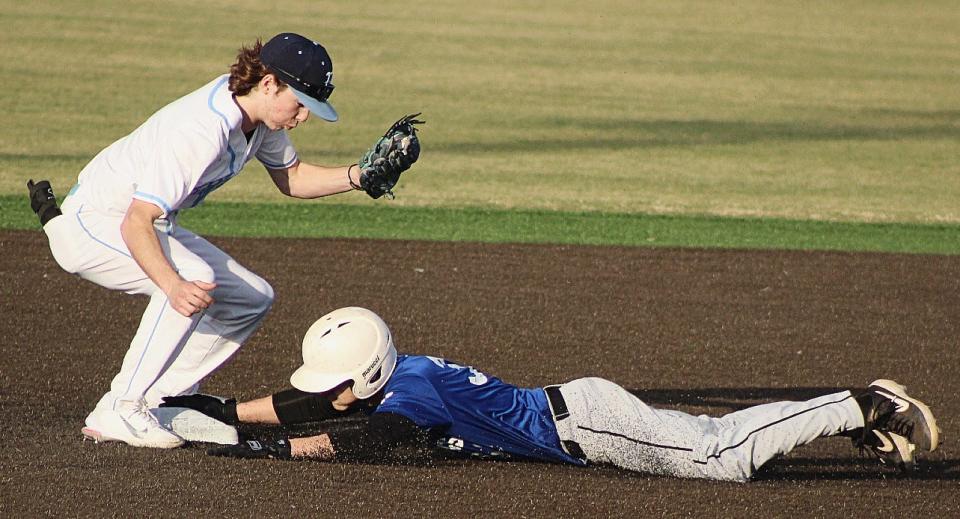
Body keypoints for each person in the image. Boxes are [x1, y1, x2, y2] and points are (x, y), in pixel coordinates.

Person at [27, 33, 420, 449]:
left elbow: (294, 178)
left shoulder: (257, 118)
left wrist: (358, 176)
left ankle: (161, 401)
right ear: (269, 83)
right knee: (190, 278)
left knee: (251, 297)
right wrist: (173, 285)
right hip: (95, 226)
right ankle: (120, 406)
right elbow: (135, 222)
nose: (303, 116)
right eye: (301, 103)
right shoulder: (202, 129)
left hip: (139, 225)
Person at [161, 307, 941, 481]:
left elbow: (368, 439)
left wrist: (259, 446)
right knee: (715, 441)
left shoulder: (411, 399)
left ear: (361, 377)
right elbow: (316, 404)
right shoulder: (396, 374)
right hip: (580, 409)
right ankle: (855, 418)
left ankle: (862, 403)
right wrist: (230, 409)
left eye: (334, 384)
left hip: (591, 427)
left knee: (720, 454)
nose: (325, 394)